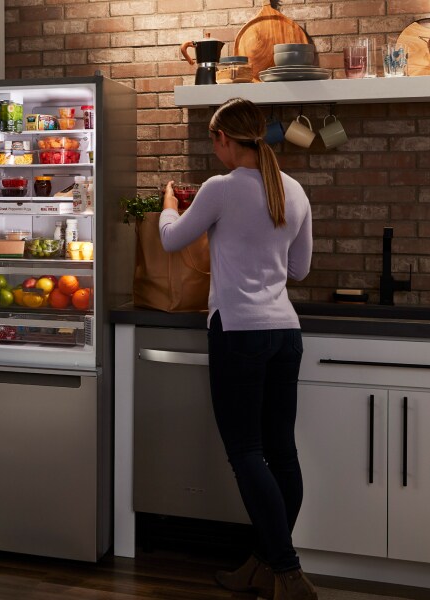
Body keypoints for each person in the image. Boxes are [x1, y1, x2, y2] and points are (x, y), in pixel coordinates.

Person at [159, 98, 314, 600]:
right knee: (281, 453)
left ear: (224, 139)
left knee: (246, 452)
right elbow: (299, 269)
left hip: (239, 333)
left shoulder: (220, 188)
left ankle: (287, 571)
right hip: (285, 333)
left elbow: (171, 240)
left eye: (214, 140)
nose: (215, 149)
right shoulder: (293, 190)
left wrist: (168, 205)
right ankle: (265, 564)